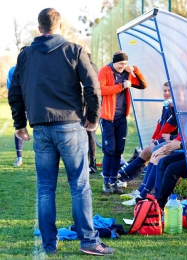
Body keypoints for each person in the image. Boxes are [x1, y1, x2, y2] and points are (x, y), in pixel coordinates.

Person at [8, 8, 114, 256]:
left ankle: (49, 243)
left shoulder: (25, 55)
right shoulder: (73, 50)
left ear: (39, 28)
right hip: (69, 127)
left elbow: (15, 92)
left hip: (42, 128)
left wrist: (19, 123)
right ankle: (88, 240)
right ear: (60, 26)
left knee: (46, 187)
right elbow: (93, 86)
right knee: (79, 186)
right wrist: (93, 118)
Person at [98, 50, 147, 194]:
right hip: (108, 118)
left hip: (121, 117)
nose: (122, 66)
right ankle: (106, 181)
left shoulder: (126, 73)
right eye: (120, 63)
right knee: (110, 150)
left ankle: (114, 181)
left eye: (125, 63)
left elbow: (143, 85)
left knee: (119, 150)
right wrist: (121, 86)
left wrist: (135, 70)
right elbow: (101, 89)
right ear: (114, 62)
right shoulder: (104, 71)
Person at [118, 82, 178, 185]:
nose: (167, 93)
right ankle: (123, 178)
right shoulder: (166, 104)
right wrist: (153, 137)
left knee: (146, 152)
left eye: (169, 91)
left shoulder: (175, 106)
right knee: (146, 155)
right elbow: (160, 123)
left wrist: (156, 140)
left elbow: (169, 127)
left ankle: (121, 175)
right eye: (165, 91)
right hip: (163, 137)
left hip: (170, 139)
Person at [7, 65, 24, 166]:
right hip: (20, 104)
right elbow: (10, 87)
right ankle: (19, 157)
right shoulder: (13, 69)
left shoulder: (36, 66)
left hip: (34, 104)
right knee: (19, 128)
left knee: (41, 128)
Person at [85, 47, 99, 174]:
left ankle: (90, 163)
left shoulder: (87, 67)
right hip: (94, 105)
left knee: (88, 134)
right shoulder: (94, 67)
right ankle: (91, 163)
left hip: (87, 105)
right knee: (90, 135)